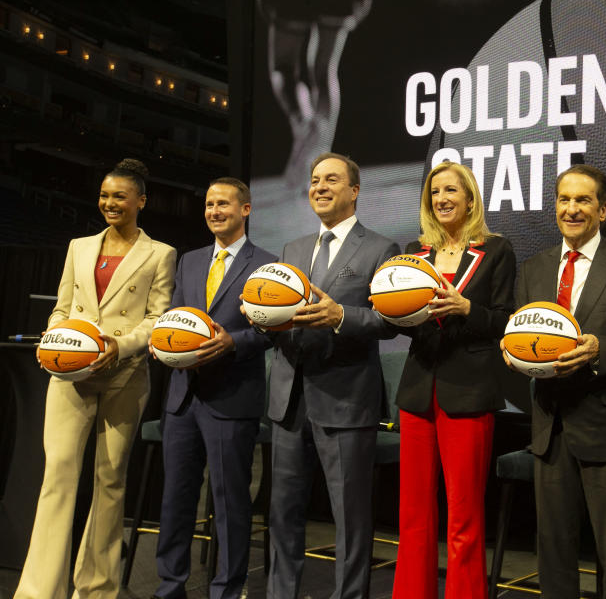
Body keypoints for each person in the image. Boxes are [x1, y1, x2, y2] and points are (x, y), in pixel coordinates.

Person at [15, 158, 176, 599]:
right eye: (105, 196)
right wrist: (54, 336)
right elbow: (62, 308)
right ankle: (37, 590)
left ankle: (97, 589)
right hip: (70, 376)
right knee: (58, 477)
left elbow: (157, 318)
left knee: (110, 482)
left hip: (125, 376)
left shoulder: (160, 253)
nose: (110, 203)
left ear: (141, 201)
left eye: (119, 196)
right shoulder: (78, 246)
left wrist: (118, 347)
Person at [503, 164, 606, 598]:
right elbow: (521, 336)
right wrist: (514, 355)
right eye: (564, 199)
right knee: (553, 552)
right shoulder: (533, 269)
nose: (571, 209)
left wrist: (601, 350)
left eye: (583, 200)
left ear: (603, 209)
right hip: (550, 431)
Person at [264, 152, 400, 599]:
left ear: (354, 191)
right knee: (282, 515)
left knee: (351, 520)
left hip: (345, 400)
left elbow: (389, 321)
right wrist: (262, 316)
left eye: (332, 180)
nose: (320, 187)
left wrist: (341, 315)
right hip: (289, 402)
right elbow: (280, 315)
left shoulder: (381, 249)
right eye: (315, 179)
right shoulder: (294, 249)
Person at [390, 162, 517, 599]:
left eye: (451, 190)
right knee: (413, 516)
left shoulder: (496, 251)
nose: (442, 198)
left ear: (469, 199)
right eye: (435, 191)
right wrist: (397, 313)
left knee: (464, 518)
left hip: (469, 392)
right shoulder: (414, 252)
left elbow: (505, 321)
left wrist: (467, 309)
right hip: (418, 391)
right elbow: (404, 323)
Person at [152, 178, 276, 599]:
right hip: (182, 397)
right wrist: (162, 343)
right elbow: (173, 315)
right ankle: (170, 586)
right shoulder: (189, 260)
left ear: (246, 210)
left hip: (232, 397)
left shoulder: (266, 264)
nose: (214, 211)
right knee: (175, 500)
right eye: (208, 204)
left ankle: (226, 589)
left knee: (230, 505)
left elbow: (273, 330)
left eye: (223, 204)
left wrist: (233, 342)